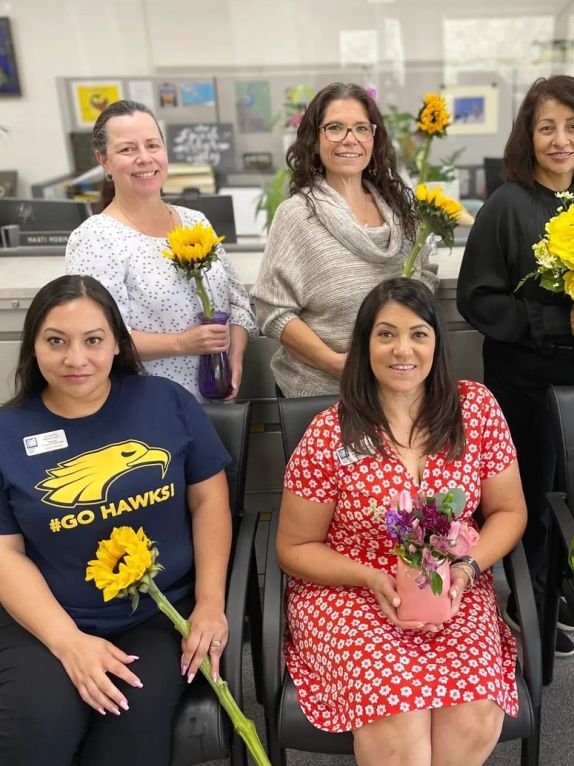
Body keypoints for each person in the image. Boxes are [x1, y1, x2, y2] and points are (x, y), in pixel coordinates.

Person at [276, 277, 526, 764]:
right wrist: (370, 578)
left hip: (452, 585)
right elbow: (294, 547)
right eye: (386, 334)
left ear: (437, 342)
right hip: (348, 592)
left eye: (418, 334)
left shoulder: (475, 410)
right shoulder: (331, 432)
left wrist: (467, 569)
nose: (402, 349)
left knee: (473, 712)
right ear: (364, 346)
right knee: (397, 720)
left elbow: (509, 511)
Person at [0, 275, 232, 765]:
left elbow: (210, 502)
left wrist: (210, 602)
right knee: (38, 736)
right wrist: (69, 644)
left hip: (155, 614)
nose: (76, 359)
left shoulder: (166, 402)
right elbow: (4, 553)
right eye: (56, 341)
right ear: (33, 347)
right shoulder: (7, 432)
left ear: (117, 344)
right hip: (47, 618)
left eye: (93, 340)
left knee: (129, 738)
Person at [456, 75, 574, 657]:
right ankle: (525, 602)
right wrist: (558, 325)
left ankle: (554, 588)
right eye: (547, 126)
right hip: (521, 381)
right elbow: (475, 298)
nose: (561, 140)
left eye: (573, 127)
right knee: (526, 492)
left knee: (569, 489)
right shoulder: (507, 204)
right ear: (528, 135)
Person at [250, 82, 438, 398]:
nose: (350, 140)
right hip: (320, 392)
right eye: (335, 128)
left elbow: (424, 281)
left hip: (393, 391)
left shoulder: (400, 211)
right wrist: (340, 365)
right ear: (314, 140)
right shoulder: (298, 215)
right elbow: (272, 311)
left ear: (374, 138)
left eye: (361, 128)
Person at [65, 99, 257, 402]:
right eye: (128, 149)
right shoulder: (96, 238)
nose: (144, 158)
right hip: (148, 408)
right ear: (104, 160)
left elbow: (239, 302)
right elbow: (96, 337)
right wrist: (183, 343)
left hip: (218, 402)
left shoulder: (196, 222)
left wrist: (235, 355)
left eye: (152, 145)